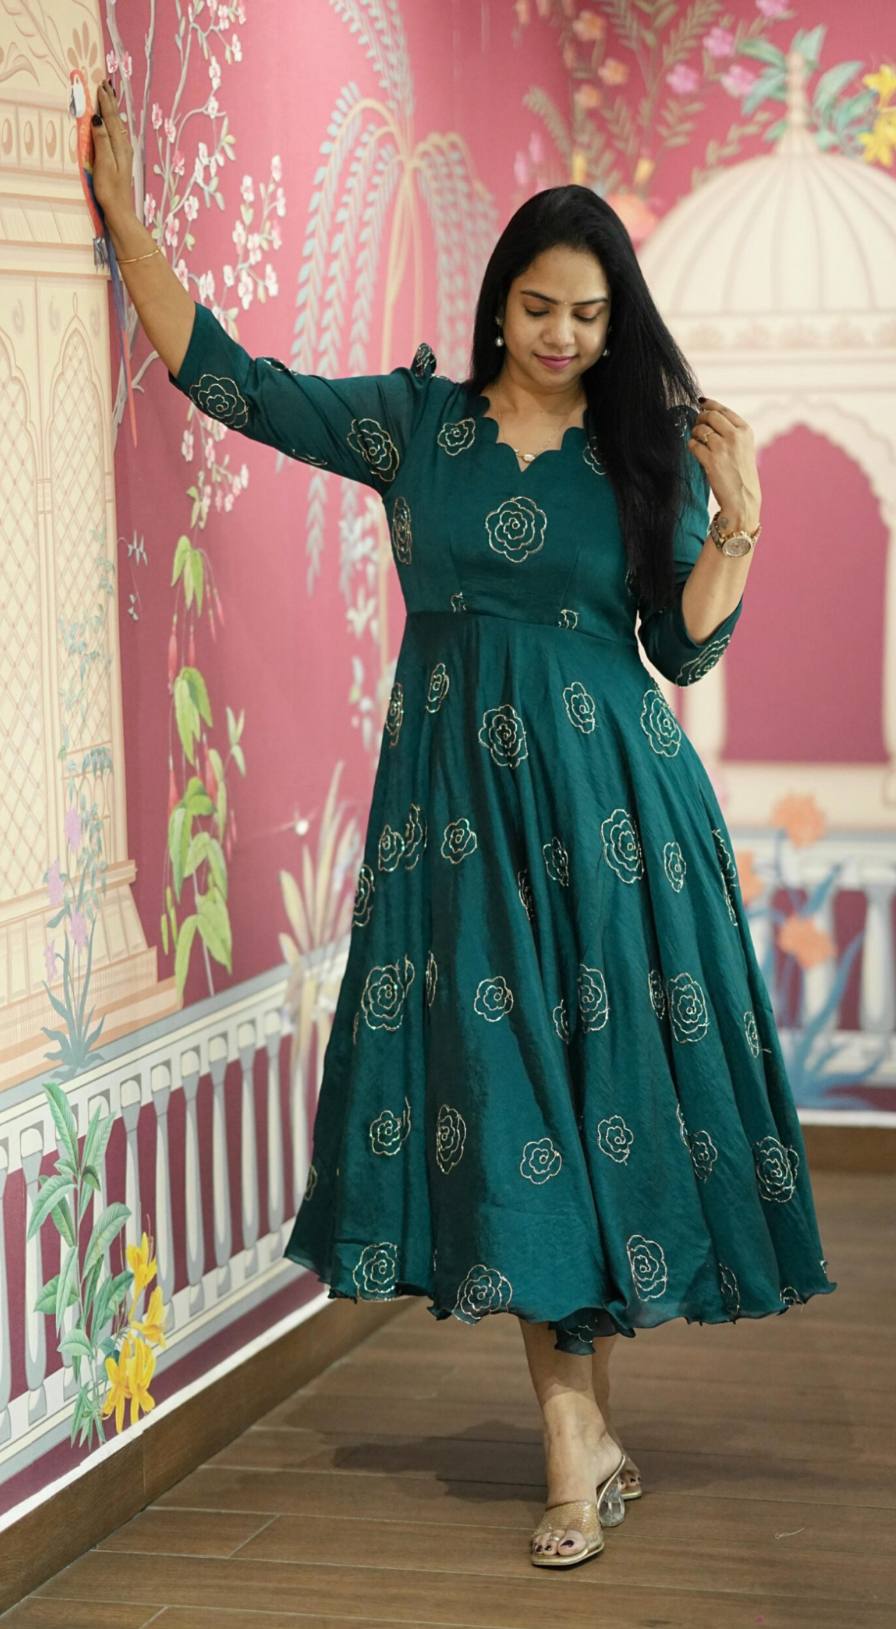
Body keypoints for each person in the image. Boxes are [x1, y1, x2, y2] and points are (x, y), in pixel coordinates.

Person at [92, 77, 837, 1571]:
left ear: (616, 325)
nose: (564, 335)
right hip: (459, 823)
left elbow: (683, 648)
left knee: (593, 1103)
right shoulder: (414, 426)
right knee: (512, 1110)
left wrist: (741, 515)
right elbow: (233, 381)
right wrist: (122, 217)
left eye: (591, 316)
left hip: (616, 819)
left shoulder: (642, 457)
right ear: (500, 303)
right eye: (541, 307)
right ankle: (578, 1436)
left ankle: (577, 1440)